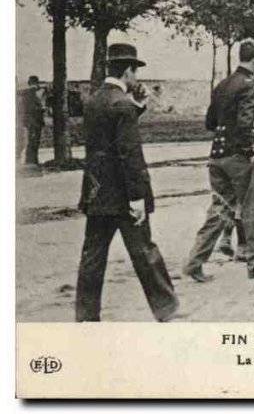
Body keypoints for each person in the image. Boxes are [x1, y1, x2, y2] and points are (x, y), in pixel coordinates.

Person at [76, 43, 179, 322]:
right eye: (135, 72)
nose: (136, 78)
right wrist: (137, 197)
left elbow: (108, 135)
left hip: (97, 191)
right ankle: (166, 307)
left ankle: (86, 315)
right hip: (123, 193)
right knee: (144, 250)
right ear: (127, 72)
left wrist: (139, 106)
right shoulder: (121, 105)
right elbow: (129, 153)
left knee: (93, 254)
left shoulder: (95, 100)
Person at [183, 39, 254, 282]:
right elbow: (245, 122)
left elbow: (210, 123)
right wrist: (250, 144)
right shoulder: (251, 85)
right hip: (240, 158)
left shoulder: (222, 85)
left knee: (219, 210)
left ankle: (195, 261)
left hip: (217, 155)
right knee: (252, 211)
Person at [19, 75, 47, 165]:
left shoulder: (31, 93)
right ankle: (31, 161)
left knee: (34, 141)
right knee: (33, 141)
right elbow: (31, 108)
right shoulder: (29, 94)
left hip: (34, 121)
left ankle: (32, 160)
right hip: (33, 121)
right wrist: (41, 109)